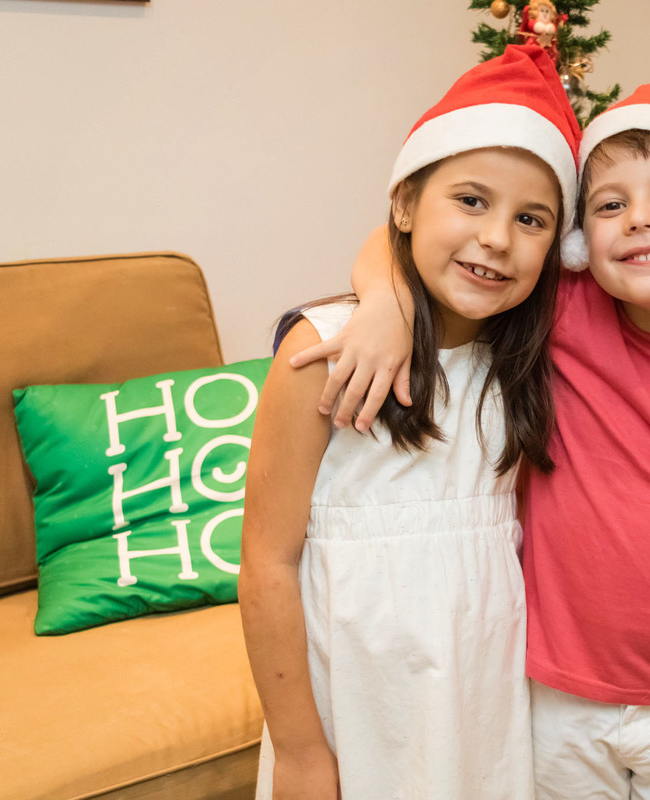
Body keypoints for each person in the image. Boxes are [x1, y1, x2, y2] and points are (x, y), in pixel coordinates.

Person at [296, 85, 650, 799]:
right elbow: (402, 232)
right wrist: (387, 301)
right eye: (610, 205)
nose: (640, 220)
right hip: (554, 697)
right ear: (580, 245)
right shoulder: (563, 314)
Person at [237, 44, 581, 800]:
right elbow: (266, 564)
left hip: (483, 714)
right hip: (350, 711)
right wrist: (298, 751)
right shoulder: (324, 352)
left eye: (532, 219)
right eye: (470, 200)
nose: (496, 237)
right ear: (402, 204)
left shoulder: (527, 361)